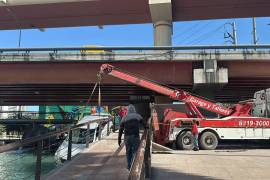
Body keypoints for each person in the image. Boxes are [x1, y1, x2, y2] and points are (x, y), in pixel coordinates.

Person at [118, 104, 143, 170]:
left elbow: (121, 129)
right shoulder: (138, 116)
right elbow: (144, 124)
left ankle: (129, 166)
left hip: (127, 137)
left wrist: (119, 139)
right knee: (135, 151)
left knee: (128, 152)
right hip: (135, 136)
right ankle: (134, 166)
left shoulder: (124, 117)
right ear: (134, 110)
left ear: (128, 110)